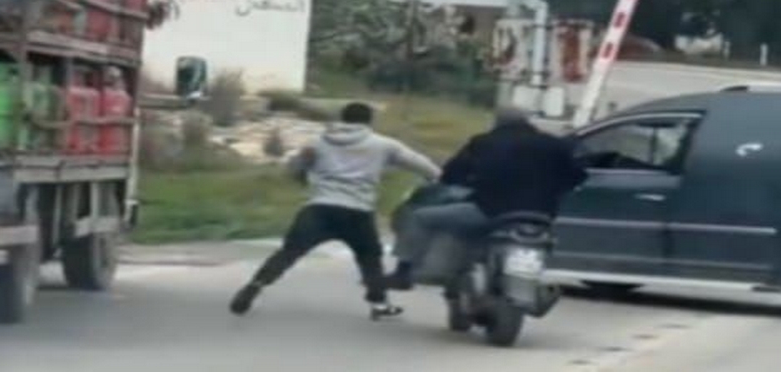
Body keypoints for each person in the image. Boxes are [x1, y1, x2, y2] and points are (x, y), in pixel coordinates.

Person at [229, 102, 440, 319]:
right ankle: (379, 304)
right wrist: (436, 178)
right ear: (369, 121)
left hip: (320, 207)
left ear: (342, 118)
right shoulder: (383, 145)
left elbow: (295, 166)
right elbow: (422, 165)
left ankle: (255, 285)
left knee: (289, 252)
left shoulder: (318, 142)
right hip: (357, 211)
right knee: (369, 257)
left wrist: (303, 175)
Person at [386, 108, 587, 290]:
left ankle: (402, 272)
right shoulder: (554, 144)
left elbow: (451, 174)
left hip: (490, 212)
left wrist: (470, 180)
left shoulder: (484, 142)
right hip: (541, 216)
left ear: (497, 122)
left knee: (421, 217)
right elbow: (577, 177)